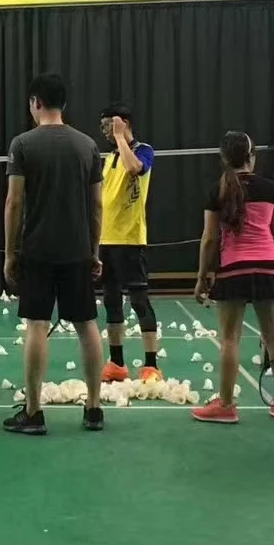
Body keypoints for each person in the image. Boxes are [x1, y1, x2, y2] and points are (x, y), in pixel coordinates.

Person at [3, 73, 106, 435]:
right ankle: (94, 409)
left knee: (37, 324)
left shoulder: (22, 144)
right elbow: (97, 206)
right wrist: (94, 251)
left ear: (35, 103)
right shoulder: (87, 146)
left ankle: (33, 413)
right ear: (64, 104)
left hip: (38, 250)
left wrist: (9, 253)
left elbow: (14, 202)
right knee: (87, 325)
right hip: (78, 250)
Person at [193, 131, 274, 424]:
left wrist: (202, 276)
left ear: (224, 158)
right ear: (252, 157)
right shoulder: (270, 189)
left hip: (233, 270)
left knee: (229, 339)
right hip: (268, 268)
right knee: (273, 337)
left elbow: (210, 238)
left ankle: (226, 405)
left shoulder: (218, 190)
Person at [97, 104, 160, 382]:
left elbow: (135, 168)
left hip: (130, 240)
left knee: (139, 301)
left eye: (107, 125)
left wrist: (120, 137)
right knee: (111, 301)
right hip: (105, 240)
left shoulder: (143, 150)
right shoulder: (109, 157)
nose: (104, 131)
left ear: (122, 123)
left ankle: (151, 365)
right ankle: (117, 363)